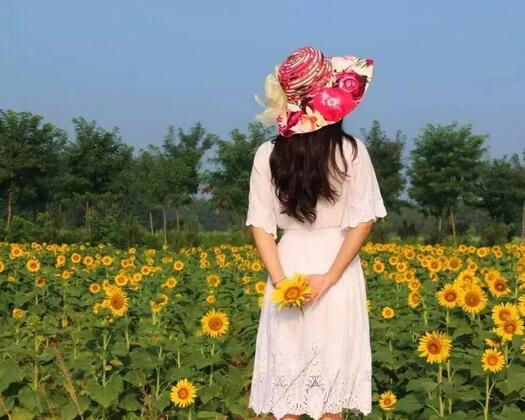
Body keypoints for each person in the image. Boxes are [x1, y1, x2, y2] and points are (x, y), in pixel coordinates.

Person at [245, 45, 388, 419]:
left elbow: (260, 225)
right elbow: (363, 221)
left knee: (286, 393)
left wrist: (280, 282)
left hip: (287, 263)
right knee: (330, 401)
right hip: (338, 266)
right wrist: (330, 277)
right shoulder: (352, 151)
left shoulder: (267, 155)